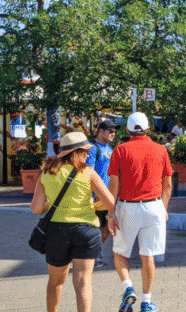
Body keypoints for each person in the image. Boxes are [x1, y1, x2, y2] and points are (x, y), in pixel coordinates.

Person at [30, 131, 118, 312]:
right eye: (85, 151)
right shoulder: (88, 172)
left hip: (56, 231)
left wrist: (52, 205)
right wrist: (94, 206)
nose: (88, 154)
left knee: (55, 282)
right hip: (86, 231)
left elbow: (36, 208)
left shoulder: (47, 171)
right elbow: (109, 202)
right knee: (83, 282)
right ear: (75, 152)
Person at [108, 112, 172, 312]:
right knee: (148, 256)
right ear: (148, 129)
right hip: (154, 206)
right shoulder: (161, 150)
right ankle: (146, 302)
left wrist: (111, 213)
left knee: (119, 253)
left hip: (128, 206)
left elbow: (113, 185)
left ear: (127, 130)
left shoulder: (119, 150)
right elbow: (168, 184)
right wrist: (164, 208)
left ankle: (128, 288)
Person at [85, 119, 117, 266]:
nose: (113, 133)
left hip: (107, 197)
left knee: (106, 228)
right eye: (110, 131)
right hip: (95, 198)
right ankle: (90, 258)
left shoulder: (111, 149)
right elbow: (88, 172)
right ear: (101, 131)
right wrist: (95, 192)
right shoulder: (92, 148)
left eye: (114, 131)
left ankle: (93, 256)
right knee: (96, 229)